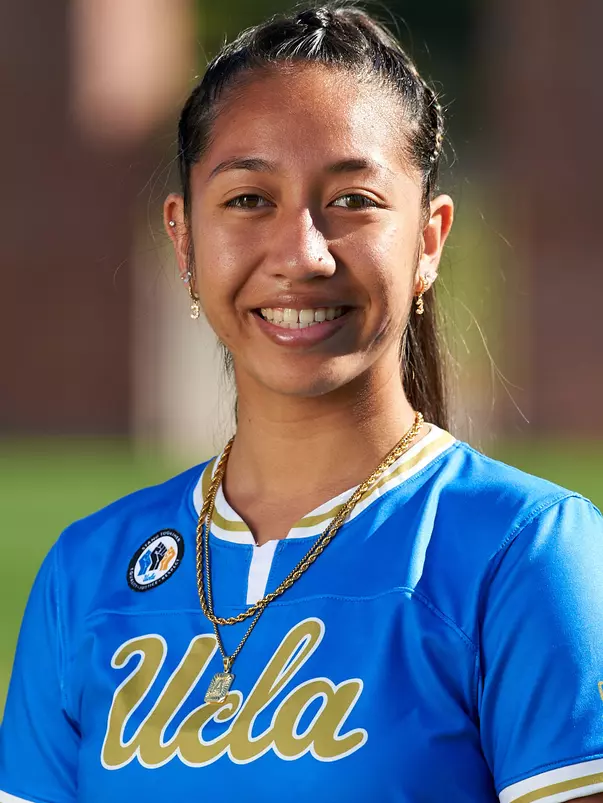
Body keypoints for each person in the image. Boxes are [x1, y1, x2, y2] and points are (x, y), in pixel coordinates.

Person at [1, 4, 603, 802]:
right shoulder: (86, 575)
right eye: (249, 200)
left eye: (353, 199)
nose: (301, 254)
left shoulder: (524, 553)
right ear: (183, 239)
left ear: (427, 240)